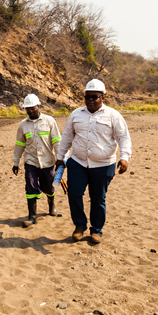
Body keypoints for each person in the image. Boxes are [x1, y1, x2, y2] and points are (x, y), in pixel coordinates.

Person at [55, 79, 132, 243]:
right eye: (87, 96)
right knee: (74, 193)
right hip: (78, 162)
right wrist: (60, 158)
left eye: (94, 96)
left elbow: (123, 137)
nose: (90, 100)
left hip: (104, 165)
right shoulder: (75, 115)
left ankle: (96, 230)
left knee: (98, 198)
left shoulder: (113, 115)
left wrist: (124, 158)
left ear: (102, 97)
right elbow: (67, 137)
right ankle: (80, 225)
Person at [12, 93, 62, 228]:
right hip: (31, 162)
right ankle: (32, 217)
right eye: (27, 108)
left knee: (49, 187)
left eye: (32, 108)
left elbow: (57, 141)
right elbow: (19, 144)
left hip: (47, 162)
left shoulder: (50, 121)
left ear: (38, 106)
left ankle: (51, 204)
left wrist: (60, 159)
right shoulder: (23, 125)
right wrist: (16, 162)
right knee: (30, 187)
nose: (30, 111)